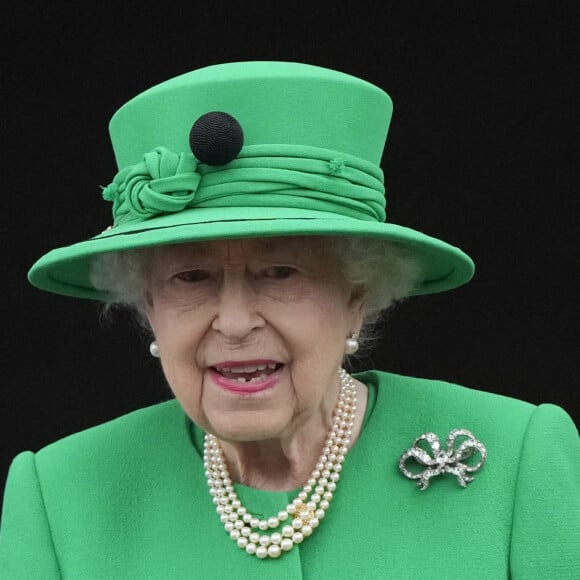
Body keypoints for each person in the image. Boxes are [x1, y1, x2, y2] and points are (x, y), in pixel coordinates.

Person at [0, 61, 578, 579]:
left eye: (280, 272)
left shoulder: (517, 461)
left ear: (358, 296)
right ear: (149, 307)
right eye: (190, 278)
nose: (232, 321)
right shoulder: (59, 495)